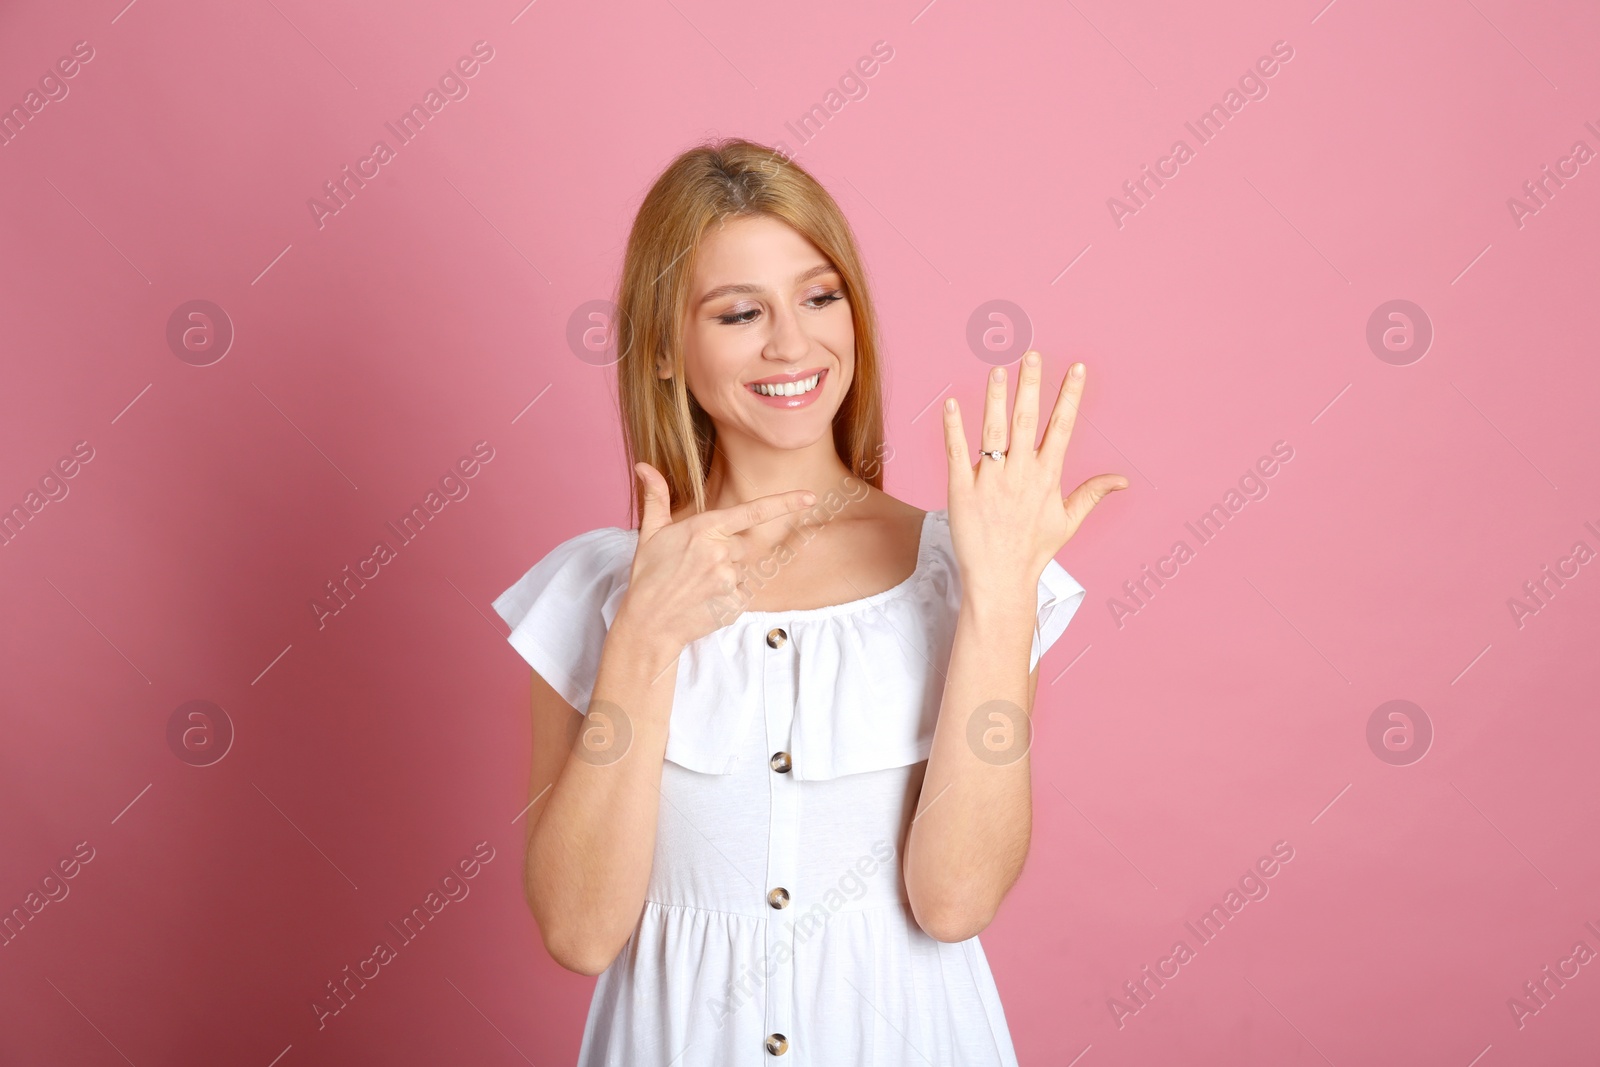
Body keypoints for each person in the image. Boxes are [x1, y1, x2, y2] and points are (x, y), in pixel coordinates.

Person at [492, 137, 1127, 1065]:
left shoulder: (964, 568)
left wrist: (999, 600)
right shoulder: (594, 589)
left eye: (821, 297)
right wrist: (643, 640)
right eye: (741, 313)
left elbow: (955, 899)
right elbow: (581, 932)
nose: (793, 343)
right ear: (665, 352)